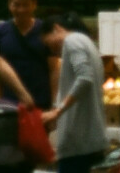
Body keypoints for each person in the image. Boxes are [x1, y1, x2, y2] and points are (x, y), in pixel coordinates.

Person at [39, 13, 108, 173]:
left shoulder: (72, 41)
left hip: (78, 140)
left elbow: (84, 78)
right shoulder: (87, 42)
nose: (51, 49)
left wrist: (58, 111)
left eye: (48, 42)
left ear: (56, 29)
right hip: (89, 137)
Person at [0, 0, 55, 109]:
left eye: (26, 5)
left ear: (35, 5)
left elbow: (54, 70)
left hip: (42, 103)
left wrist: (54, 104)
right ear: (9, 5)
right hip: (9, 103)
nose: (21, 10)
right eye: (16, 5)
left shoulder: (45, 30)